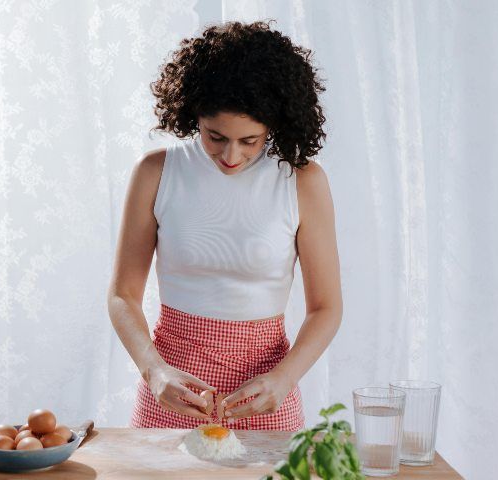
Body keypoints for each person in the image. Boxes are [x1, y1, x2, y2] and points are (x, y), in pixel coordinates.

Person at [107, 20, 341, 431]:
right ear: (192, 112)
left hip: (266, 393)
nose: (231, 155)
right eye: (215, 136)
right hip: (172, 391)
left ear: (274, 124)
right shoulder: (156, 173)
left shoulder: (302, 181)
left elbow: (326, 308)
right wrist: (154, 371)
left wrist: (284, 378)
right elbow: (123, 295)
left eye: (250, 141)